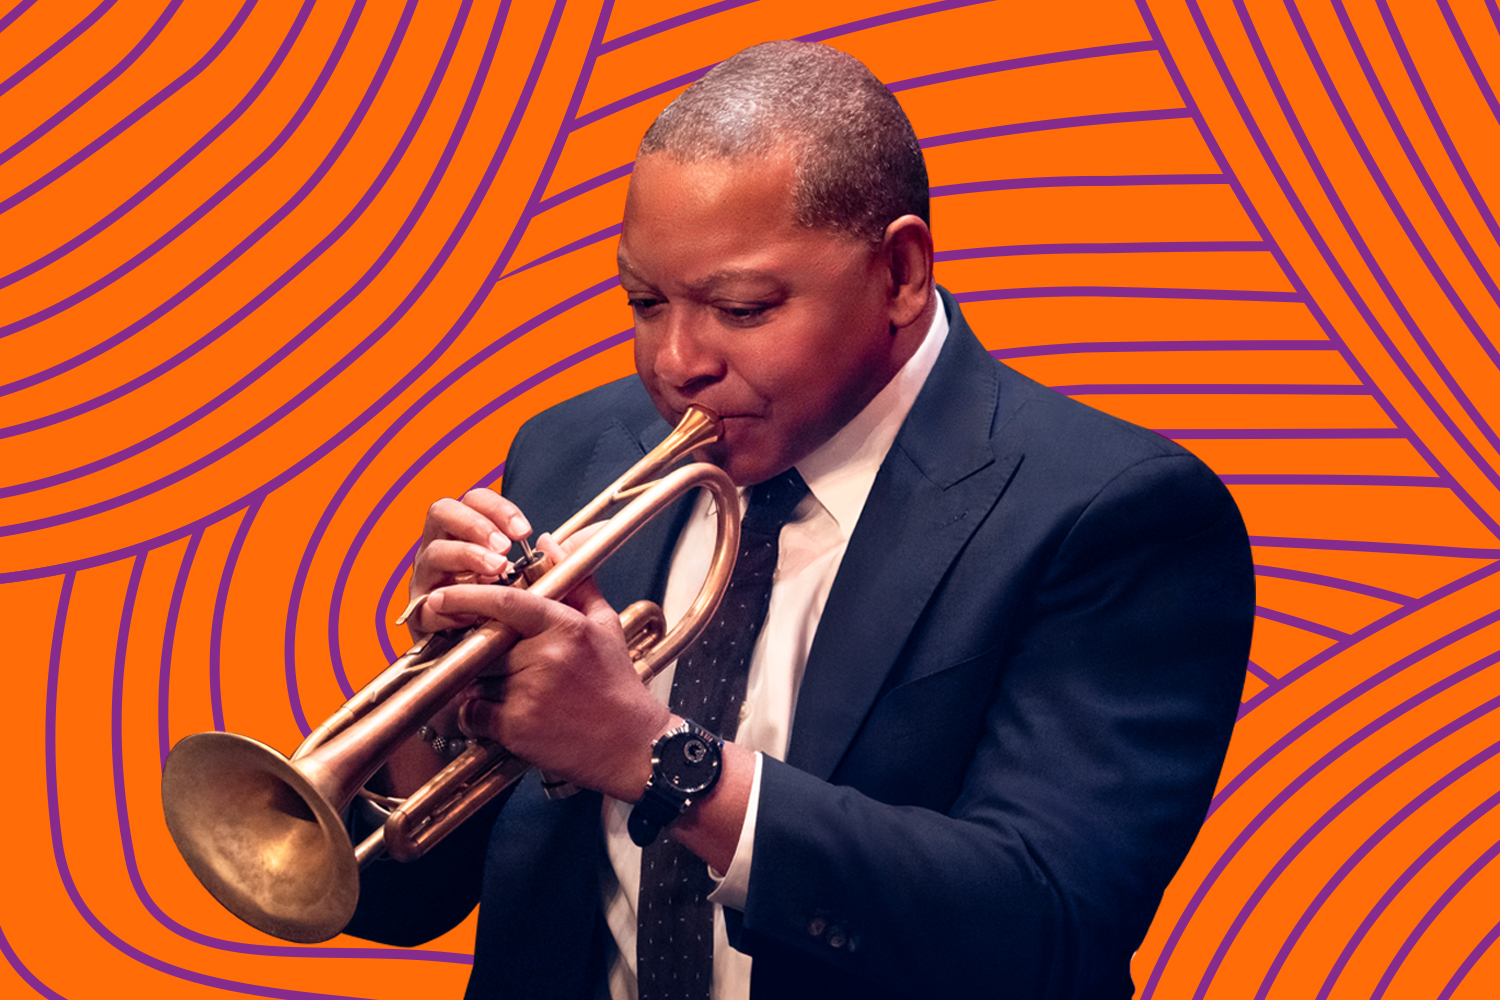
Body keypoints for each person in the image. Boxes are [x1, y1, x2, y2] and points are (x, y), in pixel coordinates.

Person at [344, 40, 1255, 1000]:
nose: (676, 362)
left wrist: (651, 758)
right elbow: (404, 903)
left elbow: (1046, 925)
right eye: (644, 302)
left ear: (900, 272)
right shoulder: (570, 449)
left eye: (739, 308)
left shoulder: (1112, 511)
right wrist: (442, 716)